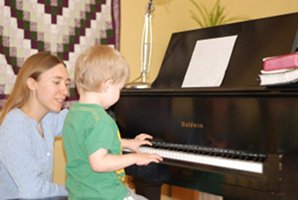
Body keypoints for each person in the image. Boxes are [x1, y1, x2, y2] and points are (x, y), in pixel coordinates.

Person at [62, 45, 163, 200]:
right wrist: (135, 158)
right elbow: (99, 162)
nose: (119, 94)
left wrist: (128, 143)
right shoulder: (101, 120)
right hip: (107, 195)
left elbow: (92, 144)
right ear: (107, 85)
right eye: (119, 89)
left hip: (79, 194)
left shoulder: (74, 114)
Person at [0, 52, 70, 199]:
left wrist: (127, 143)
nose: (65, 91)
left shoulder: (49, 117)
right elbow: (33, 191)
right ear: (32, 84)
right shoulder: (15, 126)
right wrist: (73, 190)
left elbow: (82, 124)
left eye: (66, 84)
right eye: (57, 82)